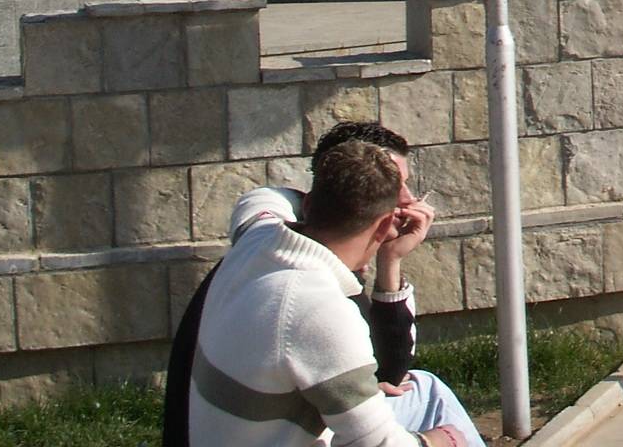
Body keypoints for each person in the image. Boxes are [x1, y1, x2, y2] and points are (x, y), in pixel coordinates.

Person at [181, 132, 476, 446]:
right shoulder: (317, 308)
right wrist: (440, 441)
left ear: (308, 202)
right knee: (444, 421)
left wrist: (344, 203)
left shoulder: (259, 237)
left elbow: (262, 196)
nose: (408, 199)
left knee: (426, 389)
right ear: (383, 225)